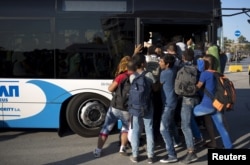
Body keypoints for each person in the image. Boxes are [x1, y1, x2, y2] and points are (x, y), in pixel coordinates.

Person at [93, 56, 135, 158]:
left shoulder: (121, 76)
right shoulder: (135, 76)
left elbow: (110, 89)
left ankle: (98, 150)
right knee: (125, 128)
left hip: (115, 107)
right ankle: (122, 147)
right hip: (127, 108)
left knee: (106, 128)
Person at [194, 54, 233, 149]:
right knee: (220, 127)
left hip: (207, 106)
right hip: (217, 104)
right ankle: (228, 147)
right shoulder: (218, 73)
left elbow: (197, 87)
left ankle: (198, 137)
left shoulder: (205, 74)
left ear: (205, 63)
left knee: (188, 114)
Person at [129, 53, 156, 164]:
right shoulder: (149, 75)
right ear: (143, 64)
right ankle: (150, 156)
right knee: (149, 129)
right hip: (147, 106)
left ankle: (135, 155)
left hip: (135, 107)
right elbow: (155, 88)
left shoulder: (132, 76)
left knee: (136, 130)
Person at [178, 49, 201, 164]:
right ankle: (198, 137)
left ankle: (191, 152)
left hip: (186, 98)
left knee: (185, 125)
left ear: (183, 57)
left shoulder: (181, 67)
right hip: (195, 97)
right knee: (190, 120)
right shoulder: (197, 67)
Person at [158, 54, 178, 163]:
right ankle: (177, 141)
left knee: (163, 129)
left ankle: (172, 154)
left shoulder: (165, 73)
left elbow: (157, 86)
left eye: (161, 61)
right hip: (173, 101)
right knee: (171, 122)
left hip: (168, 104)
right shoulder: (174, 70)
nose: (159, 63)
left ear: (167, 64)